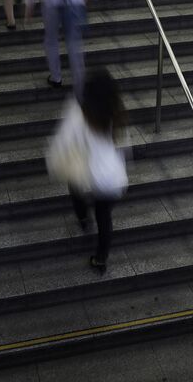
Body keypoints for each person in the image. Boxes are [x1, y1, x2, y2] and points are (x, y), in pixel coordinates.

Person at [46, 69, 128, 272]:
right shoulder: (115, 112)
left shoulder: (79, 113)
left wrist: (53, 161)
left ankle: (83, 218)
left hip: (89, 173)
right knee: (104, 217)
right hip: (113, 179)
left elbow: (63, 142)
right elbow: (124, 145)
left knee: (74, 185)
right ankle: (101, 259)